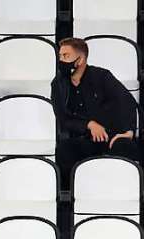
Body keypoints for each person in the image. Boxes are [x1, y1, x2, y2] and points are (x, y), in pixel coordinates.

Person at [52, 37, 139, 178]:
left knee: (126, 146)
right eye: (60, 56)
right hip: (81, 139)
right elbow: (63, 118)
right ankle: (70, 195)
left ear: (80, 60)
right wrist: (89, 124)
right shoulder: (58, 85)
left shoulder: (102, 76)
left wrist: (128, 132)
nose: (61, 60)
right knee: (64, 150)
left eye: (66, 56)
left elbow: (126, 101)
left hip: (109, 136)